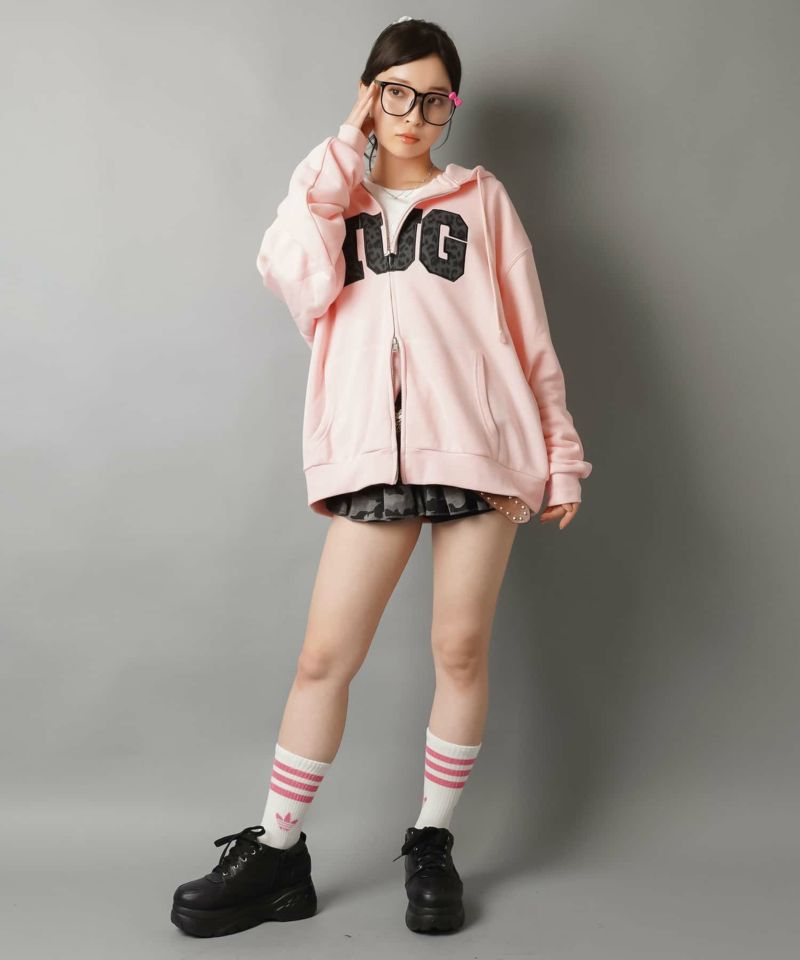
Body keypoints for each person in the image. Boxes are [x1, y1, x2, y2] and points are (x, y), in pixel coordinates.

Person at [170, 15, 592, 939]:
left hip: (481, 450)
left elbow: (531, 336)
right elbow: (292, 277)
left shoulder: (483, 200)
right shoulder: (331, 199)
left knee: (460, 651)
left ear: (451, 109)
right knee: (324, 659)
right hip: (375, 455)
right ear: (370, 96)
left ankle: (432, 841)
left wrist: (561, 456)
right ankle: (280, 851)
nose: (413, 114)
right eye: (396, 93)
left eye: (433, 100)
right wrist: (341, 148)